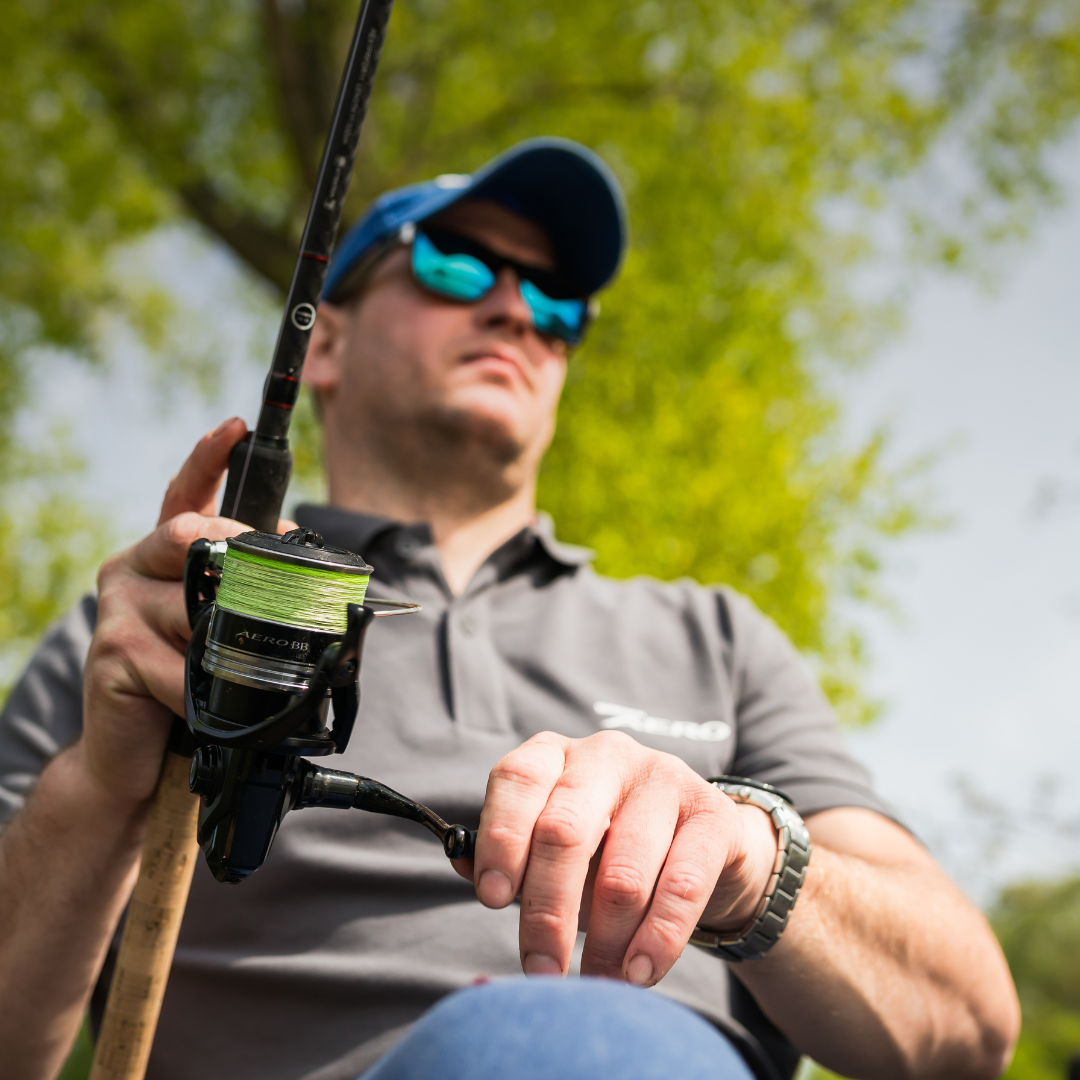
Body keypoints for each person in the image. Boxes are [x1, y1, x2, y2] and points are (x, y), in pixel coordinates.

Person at [0, 138, 1019, 1080]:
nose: (518, 309)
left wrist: (753, 860)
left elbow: (967, 1026)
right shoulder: (155, 630)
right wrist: (97, 787)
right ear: (326, 346)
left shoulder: (717, 635)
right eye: (454, 264)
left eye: (559, 301)